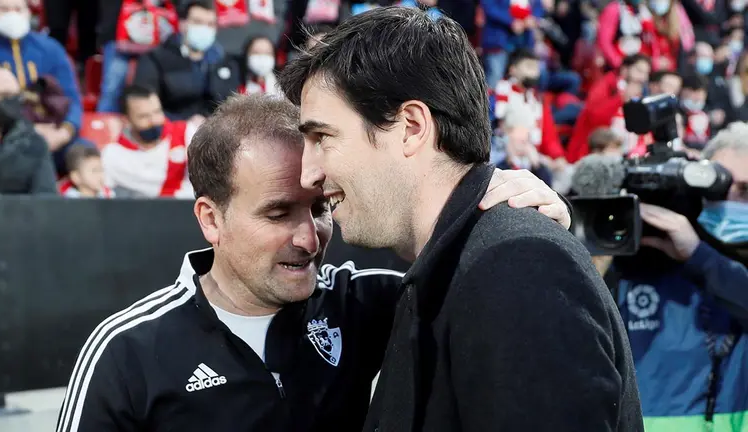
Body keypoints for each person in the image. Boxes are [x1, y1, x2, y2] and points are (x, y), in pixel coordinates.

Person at [56, 93, 572, 432]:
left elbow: (498, 286)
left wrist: (525, 211)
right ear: (211, 219)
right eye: (278, 213)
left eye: (320, 207)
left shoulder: (366, 301)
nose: (309, 238)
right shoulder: (125, 351)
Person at [279, 6, 642, 431]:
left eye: (323, 137)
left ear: (412, 127)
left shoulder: (514, 269)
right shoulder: (467, 262)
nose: (308, 174)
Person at [604, 123, 748, 432]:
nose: (730, 199)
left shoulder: (706, 261)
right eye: (718, 185)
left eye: (745, 191)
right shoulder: (640, 263)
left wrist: (699, 256)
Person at [0, 0, 89, 175]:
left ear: (28, 12)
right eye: (4, 9)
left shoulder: (50, 49)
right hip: (1, 136)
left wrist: (63, 133)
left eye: (18, 9)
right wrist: (25, 131)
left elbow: (72, 99)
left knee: (85, 152)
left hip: (52, 132)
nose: (12, 14)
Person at [133, 0, 241, 121]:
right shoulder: (156, 59)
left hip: (214, 128)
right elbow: (144, 106)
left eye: (210, 24)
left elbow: (232, 105)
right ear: (182, 24)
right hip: (172, 127)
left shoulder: (224, 62)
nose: (204, 28)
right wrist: (184, 125)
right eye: (198, 22)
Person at [100, 85, 198, 198]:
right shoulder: (113, 155)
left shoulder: (186, 133)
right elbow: (102, 194)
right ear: (126, 121)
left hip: (188, 206)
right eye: (144, 116)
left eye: (157, 112)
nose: (154, 121)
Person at [0, 64, 56, 194]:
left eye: (17, 96)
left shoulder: (33, 143)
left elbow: (46, 198)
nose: (12, 102)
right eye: (4, 95)